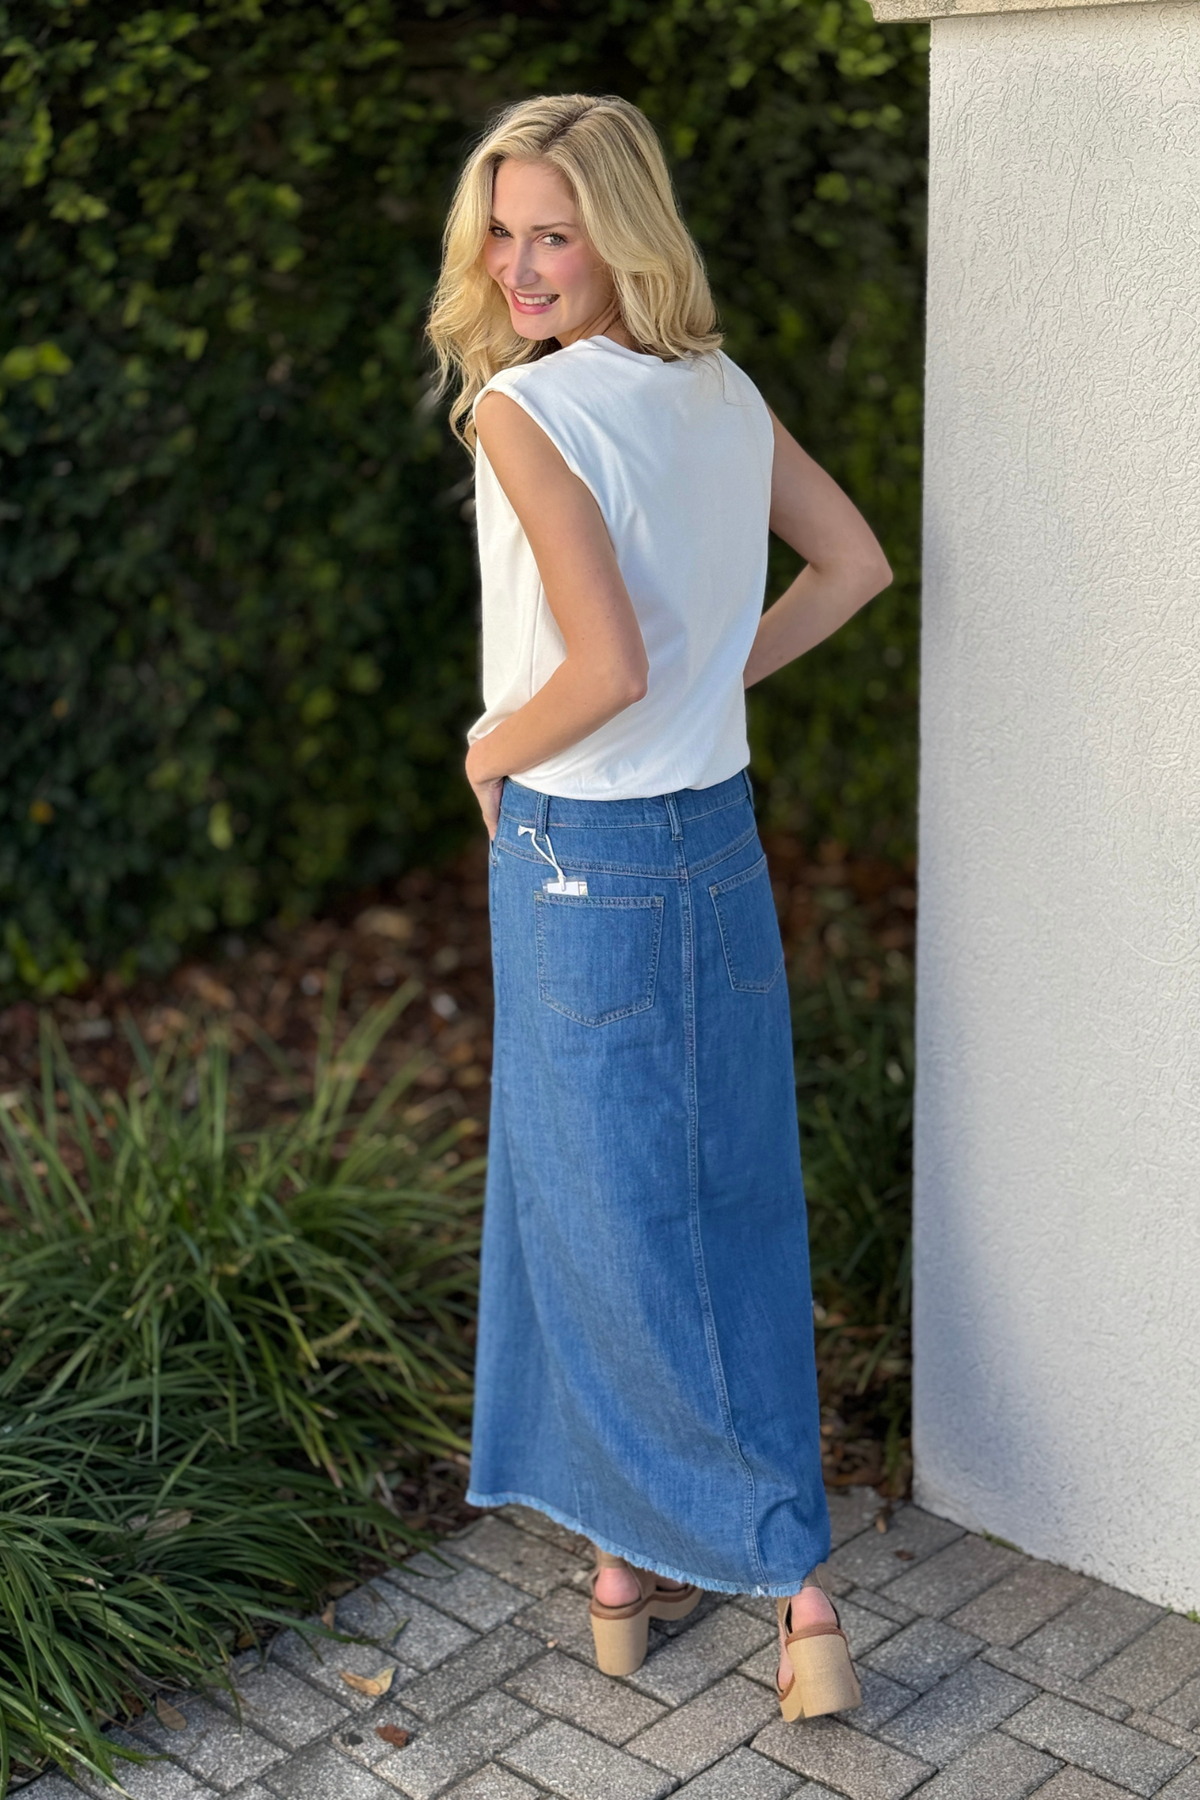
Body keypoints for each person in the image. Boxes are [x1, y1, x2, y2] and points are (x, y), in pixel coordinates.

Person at [428, 92, 890, 1720]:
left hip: (579, 851)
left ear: (626, 233)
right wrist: (717, 686)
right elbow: (850, 569)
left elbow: (602, 668)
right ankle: (626, 1564)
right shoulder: (719, 392)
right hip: (712, 841)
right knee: (709, 1199)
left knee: (601, 1214)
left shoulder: (524, 413)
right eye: (507, 226)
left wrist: (490, 747)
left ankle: (791, 1578)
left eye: (557, 230)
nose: (525, 261)